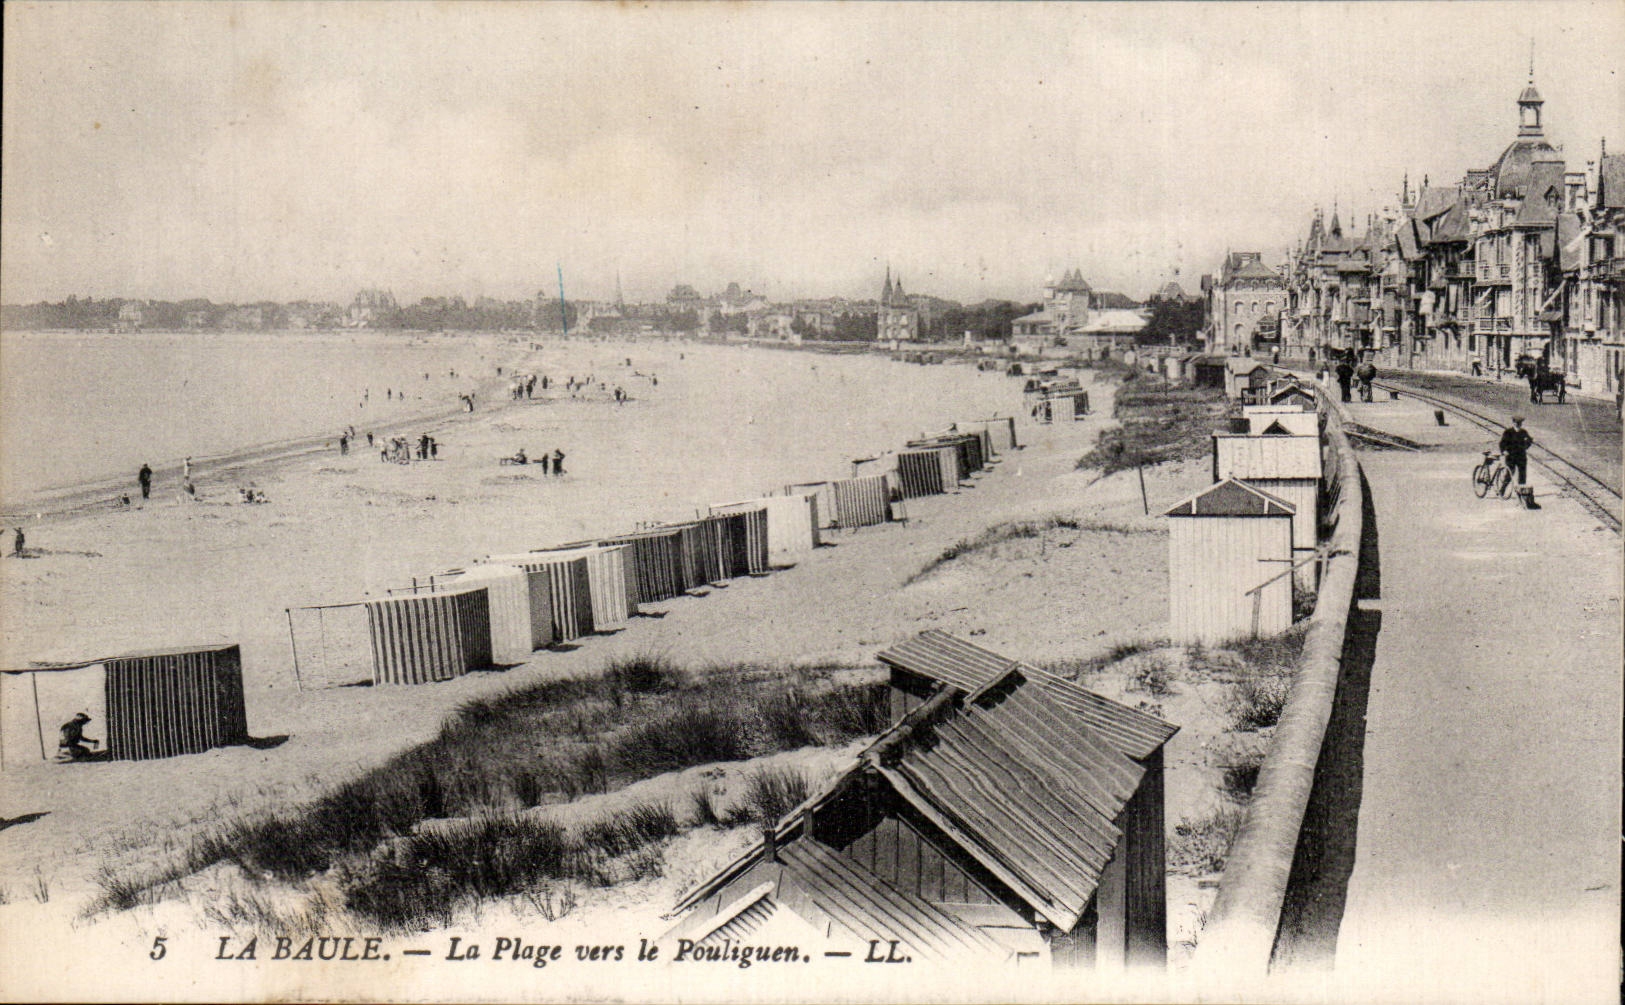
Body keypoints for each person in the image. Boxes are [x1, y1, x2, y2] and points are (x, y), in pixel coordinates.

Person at [1499, 415, 1534, 487]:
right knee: (1510, 473)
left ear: (1521, 424)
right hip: (1511, 456)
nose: (1517, 424)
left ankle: (1522, 490)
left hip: (1521, 456)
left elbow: (1530, 440)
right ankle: (1502, 490)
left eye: (1519, 423)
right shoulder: (1508, 432)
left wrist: (1525, 447)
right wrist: (1504, 451)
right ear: (1513, 423)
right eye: (1516, 423)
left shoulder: (1523, 432)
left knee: (1522, 474)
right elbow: (1502, 443)